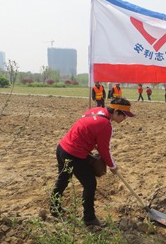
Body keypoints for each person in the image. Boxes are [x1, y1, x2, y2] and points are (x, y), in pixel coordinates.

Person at [50, 97, 135, 226]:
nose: (125, 119)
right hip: (74, 154)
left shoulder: (96, 110)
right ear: (116, 112)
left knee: (63, 179)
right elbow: (104, 150)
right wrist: (113, 166)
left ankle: (54, 209)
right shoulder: (106, 125)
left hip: (62, 148)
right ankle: (89, 218)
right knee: (90, 184)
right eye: (124, 116)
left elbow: (88, 131)